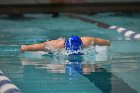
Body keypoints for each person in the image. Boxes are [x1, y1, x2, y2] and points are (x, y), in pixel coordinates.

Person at [21, 35, 111, 54]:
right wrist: (25, 48)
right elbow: (38, 46)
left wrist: (108, 43)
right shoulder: (56, 45)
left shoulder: (87, 42)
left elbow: (100, 41)